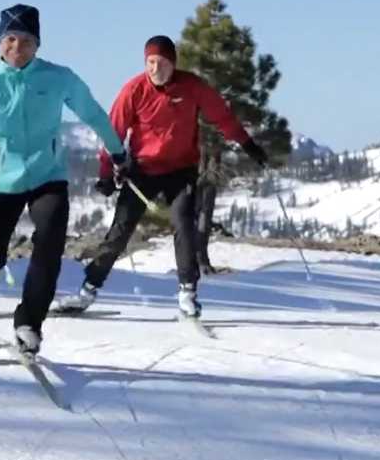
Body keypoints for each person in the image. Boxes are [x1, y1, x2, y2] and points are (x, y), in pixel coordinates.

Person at [0, 4, 128, 356]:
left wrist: (117, 151)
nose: (17, 47)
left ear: (37, 44)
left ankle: (29, 324)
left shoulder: (58, 77)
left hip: (46, 175)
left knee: (49, 244)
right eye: (10, 39)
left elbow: (93, 112)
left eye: (25, 40)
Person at [58, 35, 268, 318]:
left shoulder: (191, 86)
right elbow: (113, 132)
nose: (154, 69)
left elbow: (222, 116)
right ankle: (87, 292)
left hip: (181, 171)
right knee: (119, 232)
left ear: (173, 63)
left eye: (161, 63)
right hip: (142, 171)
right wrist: (107, 172)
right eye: (150, 63)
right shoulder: (134, 90)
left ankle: (187, 292)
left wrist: (246, 143)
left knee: (183, 224)